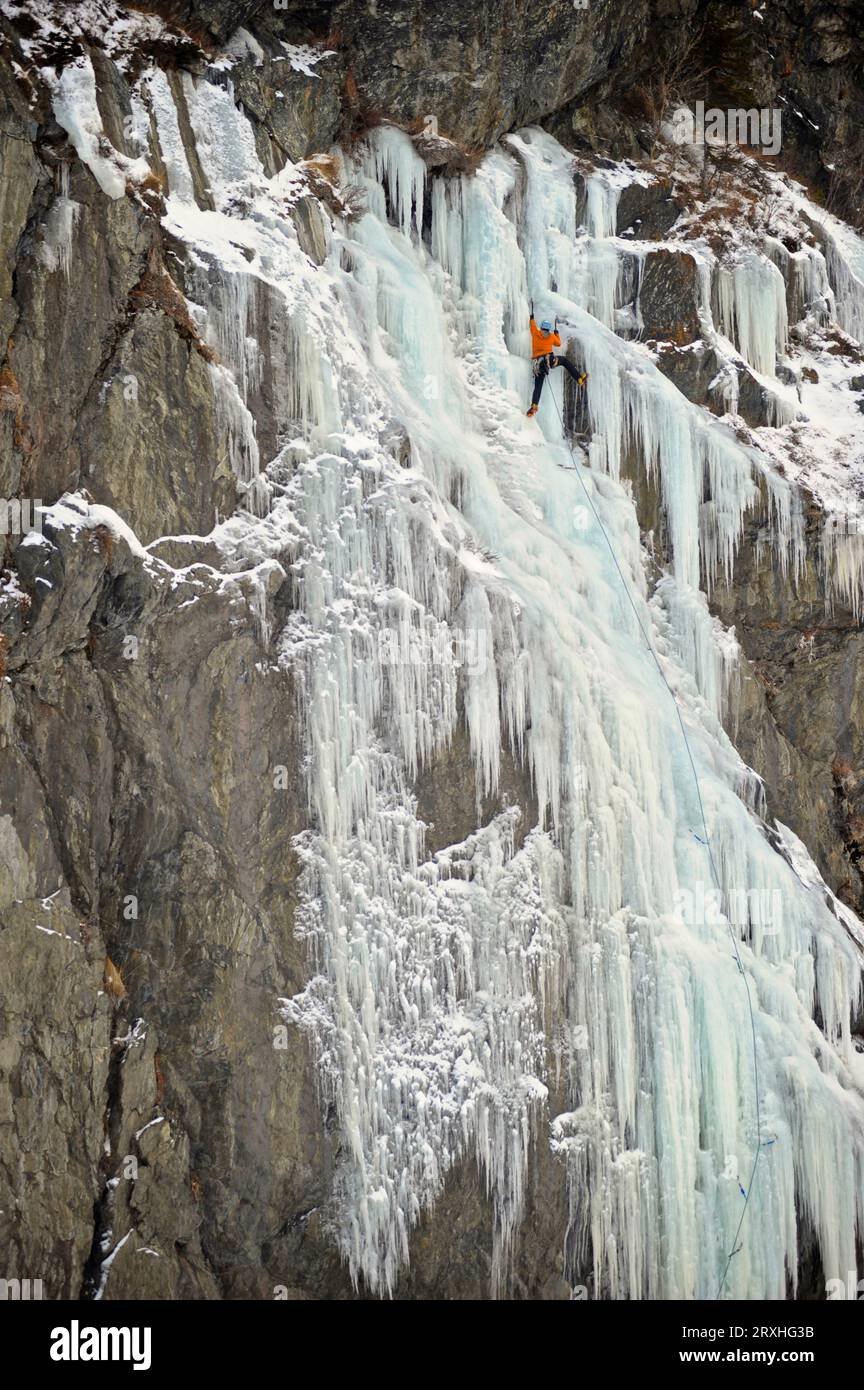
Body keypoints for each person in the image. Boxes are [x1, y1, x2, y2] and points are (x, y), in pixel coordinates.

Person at [526, 301, 587, 416]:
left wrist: (532, 317)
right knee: (564, 361)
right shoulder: (551, 336)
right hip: (550, 361)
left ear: (541, 328)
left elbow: (532, 325)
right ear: (548, 330)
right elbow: (558, 344)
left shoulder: (535, 333)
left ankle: (534, 406)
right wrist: (556, 332)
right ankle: (579, 379)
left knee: (538, 385)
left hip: (538, 364)